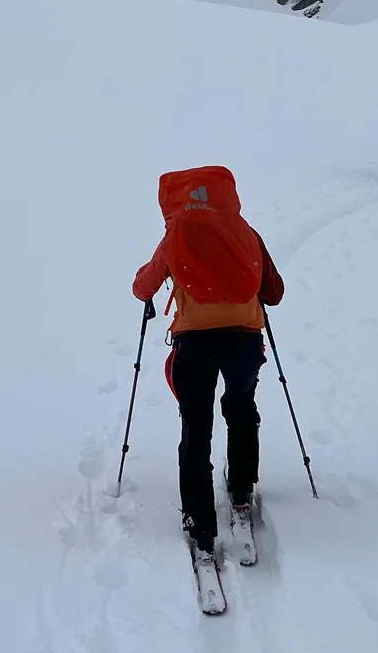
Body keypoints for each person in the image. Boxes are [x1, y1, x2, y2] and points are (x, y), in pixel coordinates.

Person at [132, 166, 285, 564]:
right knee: (240, 407)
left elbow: (144, 285)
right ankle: (240, 490)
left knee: (196, 426)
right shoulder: (246, 233)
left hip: (194, 343)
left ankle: (200, 523)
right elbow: (275, 291)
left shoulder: (177, 235)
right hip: (244, 340)